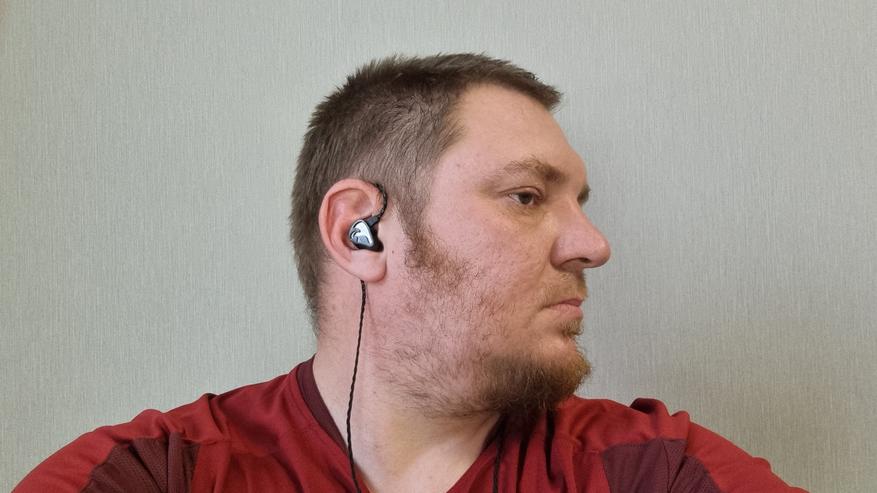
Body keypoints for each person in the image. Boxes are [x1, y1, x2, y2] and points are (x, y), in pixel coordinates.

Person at [15, 53, 806, 492]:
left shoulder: (650, 470)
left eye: (579, 203)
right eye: (526, 196)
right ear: (361, 233)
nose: (592, 245)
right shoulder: (158, 473)